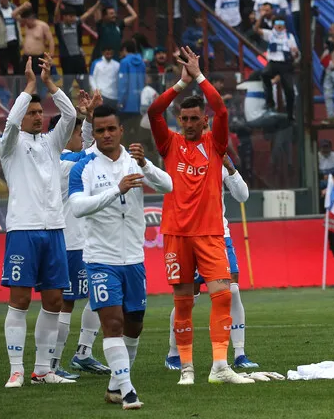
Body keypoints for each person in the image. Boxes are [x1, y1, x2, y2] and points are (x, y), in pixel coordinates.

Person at [147, 47, 254, 385]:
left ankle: (220, 366)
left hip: (210, 233)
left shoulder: (215, 144)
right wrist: (181, 84)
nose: (190, 124)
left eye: (196, 119)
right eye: (185, 118)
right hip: (177, 234)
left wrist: (201, 76)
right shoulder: (170, 144)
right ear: (180, 120)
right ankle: (187, 368)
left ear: (204, 121)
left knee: (223, 293)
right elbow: (153, 111)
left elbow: (221, 107)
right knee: (183, 303)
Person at [69, 105, 173, 410]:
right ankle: (128, 390)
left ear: (121, 130)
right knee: (112, 323)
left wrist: (147, 166)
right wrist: (116, 190)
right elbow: (77, 207)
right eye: (99, 130)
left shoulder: (135, 160)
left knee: (134, 324)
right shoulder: (84, 167)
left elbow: (169, 185)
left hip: (134, 260)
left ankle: (115, 386)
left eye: (111, 129)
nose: (105, 135)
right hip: (101, 258)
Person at [0, 55, 78, 387]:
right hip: (23, 230)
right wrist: (29, 87)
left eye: (38, 112)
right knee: (19, 300)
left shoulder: (51, 144)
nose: (36, 116)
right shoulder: (10, 146)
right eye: (31, 112)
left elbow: (72, 115)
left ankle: (42, 370)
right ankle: (16, 368)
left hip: (55, 231)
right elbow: (9, 124)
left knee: (55, 301)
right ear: (21, 117)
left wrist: (50, 86)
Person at [166, 153, 260, 372]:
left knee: (232, 291)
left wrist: (230, 166)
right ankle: (173, 354)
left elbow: (242, 195)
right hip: (189, 236)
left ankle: (239, 353)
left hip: (219, 234)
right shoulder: (180, 156)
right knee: (187, 299)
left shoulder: (219, 157)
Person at [50, 91, 110, 379]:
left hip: (85, 241)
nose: (80, 138)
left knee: (99, 294)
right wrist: (90, 120)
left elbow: (86, 146)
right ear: (64, 136)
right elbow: (91, 150)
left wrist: (86, 119)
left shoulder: (66, 158)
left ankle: (83, 353)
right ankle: (52, 363)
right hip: (71, 242)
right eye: (76, 133)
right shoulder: (61, 163)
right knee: (67, 302)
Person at [258, 19, 299, 121]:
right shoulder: (270, 34)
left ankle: (290, 113)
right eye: (277, 25)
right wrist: (261, 17)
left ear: (285, 26)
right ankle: (270, 101)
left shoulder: (289, 37)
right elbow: (256, 30)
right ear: (274, 26)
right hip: (273, 63)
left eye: (281, 25)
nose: (279, 27)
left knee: (289, 90)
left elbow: (296, 54)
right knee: (265, 74)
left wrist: (295, 52)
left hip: (285, 64)